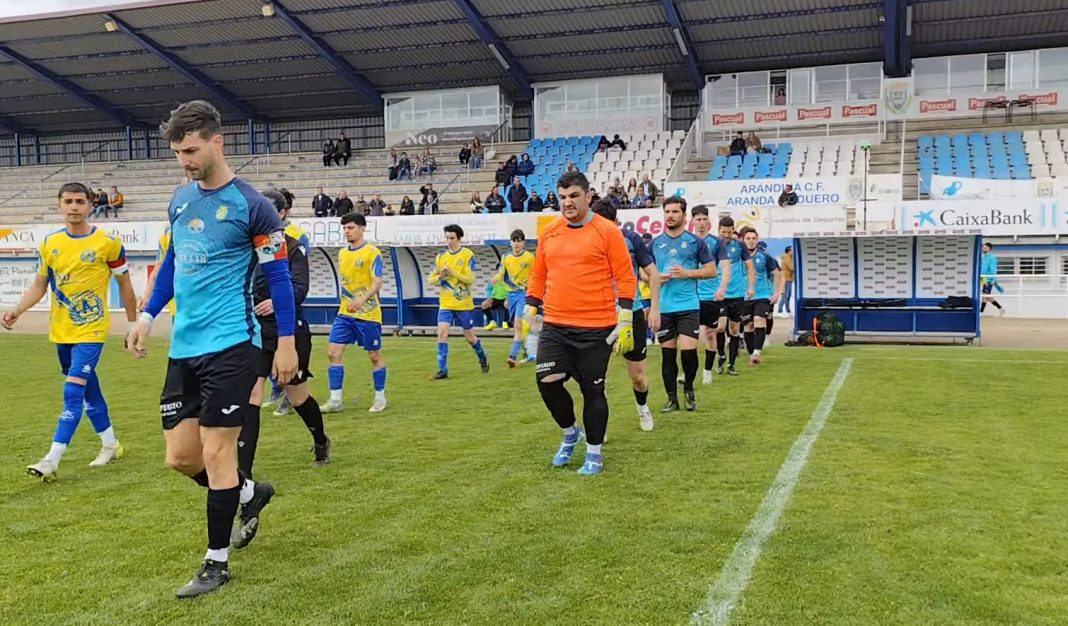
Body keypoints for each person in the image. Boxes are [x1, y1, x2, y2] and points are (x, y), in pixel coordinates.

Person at [126, 100, 297, 598]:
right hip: (185, 347)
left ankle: (216, 563)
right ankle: (248, 492)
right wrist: (146, 315)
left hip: (233, 345)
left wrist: (284, 342)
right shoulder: (179, 200)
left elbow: (279, 279)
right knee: (180, 458)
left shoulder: (253, 206)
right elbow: (173, 264)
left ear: (217, 142)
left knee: (217, 451)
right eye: (178, 152)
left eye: (192, 150)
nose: (185, 160)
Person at [3, 181, 137, 481]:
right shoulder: (50, 243)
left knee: (72, 391)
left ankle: (51, 459)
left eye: (80, 201)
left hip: (91, 330)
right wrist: (17, 309)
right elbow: (40, 285)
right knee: (90, 391)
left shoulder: (107, 244)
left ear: (90, 205)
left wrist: (132, 325)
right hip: (62, 332)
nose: (74, 207)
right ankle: (110, 445)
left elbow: (125, 285)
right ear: (59, 205)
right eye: (68, 201)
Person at [524, 171, 636, 476]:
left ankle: (594, 454)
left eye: (573, 196)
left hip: (596, 327)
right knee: (546, 382)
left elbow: (625, 276)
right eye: (562, 197)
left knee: (592, 391)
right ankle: (571, 432)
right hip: (556, 325)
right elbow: (538, 274)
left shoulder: (607, 231)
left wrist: (625, 316)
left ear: (588, 196)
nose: (567, 202)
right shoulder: (550, 232)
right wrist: (530, 307)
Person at [241, 189, 331, 480]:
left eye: (265, 209)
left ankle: (320, 440)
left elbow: (300, 288)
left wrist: (277, 302)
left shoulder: (293, 247)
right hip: (253, 332)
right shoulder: (244, 248)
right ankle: (244, 471)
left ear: (282, 214)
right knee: (251, 395)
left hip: (288, 329)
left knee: (296, 395)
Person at [590, 199, 662, 431]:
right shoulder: (587, 241)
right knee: (596, 378)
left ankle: (642, 408)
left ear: (615, 222)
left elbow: (653, 273)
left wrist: (656, 308)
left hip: (631, 313)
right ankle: (600, 425)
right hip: (599, 317)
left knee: (638, 377)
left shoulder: (631, 240)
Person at [650, 197, 717, 412]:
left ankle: (688, 389)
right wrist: (654, 277)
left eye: (674, 212)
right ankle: (672, 399)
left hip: (688, 306)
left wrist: (688, 273)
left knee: (688, 353)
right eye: (667, 212)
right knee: (667, 355)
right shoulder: (655, 243)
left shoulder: (696, 242)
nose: (670, 215)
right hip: (664, 308)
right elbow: (643, 272)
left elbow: (711, 270)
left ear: (684, 216)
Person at [323, 212, 389, 414]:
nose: (347, 232)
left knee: (374, 356)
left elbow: (377, 281)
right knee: (333, 353)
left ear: (362, 228)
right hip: (345, 314)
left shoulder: (372, 252)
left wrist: (361, 299)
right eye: (344, 228)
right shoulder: (343, 254)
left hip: (368, 314)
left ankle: (380, 397)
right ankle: (335, 400)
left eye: (350, 228)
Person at [428, 225, 489, 380]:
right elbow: (430, 280)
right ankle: (442, 370)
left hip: (463, 304)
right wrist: (440, 276)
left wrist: (453, 272)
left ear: (459, 238)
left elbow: (470, 279)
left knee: (469, 337)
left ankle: (482, 357)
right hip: (446, 304)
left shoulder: (468, 255)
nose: (449, 241)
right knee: (442, 334)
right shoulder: (441, 257)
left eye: (452, 238)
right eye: (447, 238)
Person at [690, 205, 731, 385]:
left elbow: (725, 266)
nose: (701, 223)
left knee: (710, 333)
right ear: (692, 221)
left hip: (711, 296)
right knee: (688, 337)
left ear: (709, 221)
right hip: (690, 296)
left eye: (703, 219)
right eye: (697, 219)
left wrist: (722, 287)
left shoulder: (716, 242)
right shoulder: (687, 241)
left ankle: (707, 370)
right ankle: (686, 372)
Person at [714, 217, 755, 377]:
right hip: (719, 293)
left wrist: (751, 287)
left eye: (729, 232)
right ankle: (721, 354)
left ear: (733, 231)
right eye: (723, 232)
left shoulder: (739, 246)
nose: (726, 235)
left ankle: (731, 364)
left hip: (737, 293)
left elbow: (750, 267)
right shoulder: (714, 245)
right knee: (720, 327)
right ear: (719, 230)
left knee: (735, 329)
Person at [493, 230, 536, 367]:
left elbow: (535, 275)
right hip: (511, 295)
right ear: (510, 242)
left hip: (524, 293)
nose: (516, 244)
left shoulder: (530, 257)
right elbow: (501, 273)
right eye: (514, 241)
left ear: (523, 242)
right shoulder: (506, 257)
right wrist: (496, 279)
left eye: (519, 241)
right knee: (517, 326)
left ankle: (512, 356)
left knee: (518, 324)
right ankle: (527, 349)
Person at [740, 230, 782, 366]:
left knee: (759, 321)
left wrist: (776, 293)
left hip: (762, 295)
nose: (751, 240)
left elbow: (776, 273)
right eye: (748, 238)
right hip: (744, 297)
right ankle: (751, 352)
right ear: (743, 240)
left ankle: (757, 353)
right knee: (748, 326)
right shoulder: (737, 258)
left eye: (753, 238)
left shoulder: (765, 257)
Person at [980, 242, 1005, 315]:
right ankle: (1000, 308)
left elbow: (993, 268)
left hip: (989, 278)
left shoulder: (992, 257)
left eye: (984, 247)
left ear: (988, 248)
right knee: (985, 295)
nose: (982, 248)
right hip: (983, 278)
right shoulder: (982, 256)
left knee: (985, 294)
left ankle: (999, 308)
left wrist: (993, 279)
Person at [778, 246, 794, 316]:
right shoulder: (787, 258)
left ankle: (788, 310)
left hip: (788, 279)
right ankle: (780, 310)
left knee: (788, 295)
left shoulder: (789, 258)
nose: (793, 252)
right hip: (786, 279)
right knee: (785, 296)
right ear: (789, 251)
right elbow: (792, 268)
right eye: (792, 250)